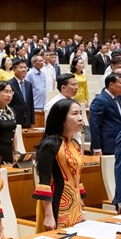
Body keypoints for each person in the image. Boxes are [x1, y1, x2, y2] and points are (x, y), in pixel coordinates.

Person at [33, 99, 86, 230]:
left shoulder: (74, 144)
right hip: (56, 204)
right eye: (74, 114)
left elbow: (76, 177)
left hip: (74, 203)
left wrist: (81, 205)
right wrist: (49, 215)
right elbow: (44, 182)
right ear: (61, 118)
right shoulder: (50, 145)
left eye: (80, 113)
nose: (80, 118)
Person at [89, 72, 121, 155]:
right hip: (107, 146)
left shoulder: (119, 98)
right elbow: (95, 126)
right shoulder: (99, 101)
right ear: (111, 85)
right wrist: (97, 148)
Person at [8, 58, 35, 128]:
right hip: (14, 120)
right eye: (21, 67)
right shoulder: (9, 84)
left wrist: (32, 121)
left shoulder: (28, 84)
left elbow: (30, 103)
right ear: (14, 69)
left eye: (25, 67)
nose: (24, 70)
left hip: (27, 121)